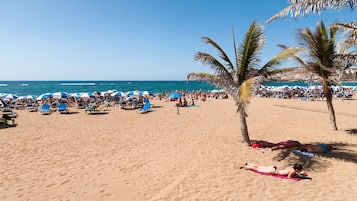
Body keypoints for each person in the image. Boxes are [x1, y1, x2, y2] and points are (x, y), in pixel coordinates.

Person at [240, 163, 305, 178]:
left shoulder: (291, 167)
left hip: (273, 168)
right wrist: (298, 175)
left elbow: (293, 165)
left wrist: (298, 172)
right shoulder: (293, 171)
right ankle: (245, 166)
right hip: (273, 172)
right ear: (297, 169)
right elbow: (289, 177)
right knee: (257, 169)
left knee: (259, 166)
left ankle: (248, 164)